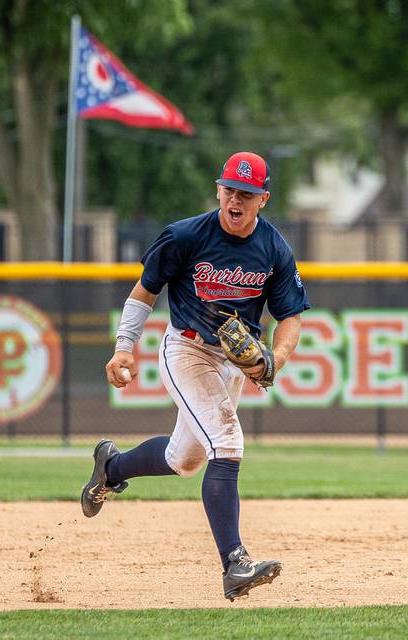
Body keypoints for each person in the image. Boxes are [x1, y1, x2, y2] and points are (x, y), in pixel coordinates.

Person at [81, 151, 310, 601]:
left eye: (246, 193)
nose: (235, 201)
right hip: (185, 348)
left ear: (263, 198)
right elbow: (143, 293)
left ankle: (110, 467)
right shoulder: (185, 235)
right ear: (217, 190)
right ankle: (235, 564)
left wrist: (276, 361)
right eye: (229, 190)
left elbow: (291, 317)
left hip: (233, 363)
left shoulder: (274, 247)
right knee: (227, 443)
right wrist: (123, 347)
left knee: (184, 459)